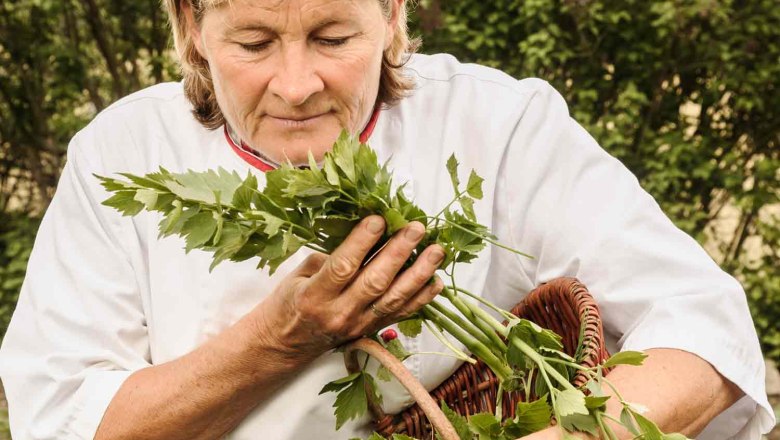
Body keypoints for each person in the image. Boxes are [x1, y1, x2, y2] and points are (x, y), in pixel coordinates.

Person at [0, 0, 774, 438]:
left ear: (392, 15)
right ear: (192, 25)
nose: (296, 84)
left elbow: (702, 326)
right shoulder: (122, 156)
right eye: (255, 42)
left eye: (334, 38)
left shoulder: (498, 125)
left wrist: (566, 436)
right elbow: (64, 418)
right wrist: (281, 338)